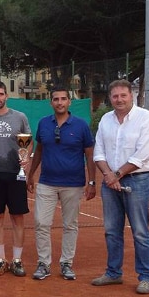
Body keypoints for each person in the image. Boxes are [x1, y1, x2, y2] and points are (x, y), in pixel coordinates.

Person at [91, 79, 149, 294]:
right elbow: (98, 151)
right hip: (110, 181)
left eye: (123, 95)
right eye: (115, 96)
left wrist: (116, 175)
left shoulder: (145, 118)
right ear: (110, 98)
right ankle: (113, 273)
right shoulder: (105, 120)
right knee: (111, 230)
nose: (119, 100)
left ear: (132, 96)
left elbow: (142, 154)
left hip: (137, 180)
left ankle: (146, 277)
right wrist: (109, 175)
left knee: (140, 231)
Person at [26, 87, 96, 281]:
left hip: (73, 185)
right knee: (41, 223)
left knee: (70, 225)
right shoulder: (43, 124)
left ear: (69, 102)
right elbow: (39, 150)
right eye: (56, 99)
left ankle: (66, 263)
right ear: (51, 103)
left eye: (63, 99)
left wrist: (91, 181)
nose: (59, 102)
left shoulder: (81, 126)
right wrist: (31, 174)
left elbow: (89, 155)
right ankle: (44, 263)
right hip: (46, 183)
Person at [0, 80, 32, 277]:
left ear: (6, 96)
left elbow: (28, 141)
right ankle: (1, 260)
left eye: (1, 94)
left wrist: (25, 158)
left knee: (18, 218)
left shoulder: (19, 117)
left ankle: (17, 260)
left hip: (15, 174)